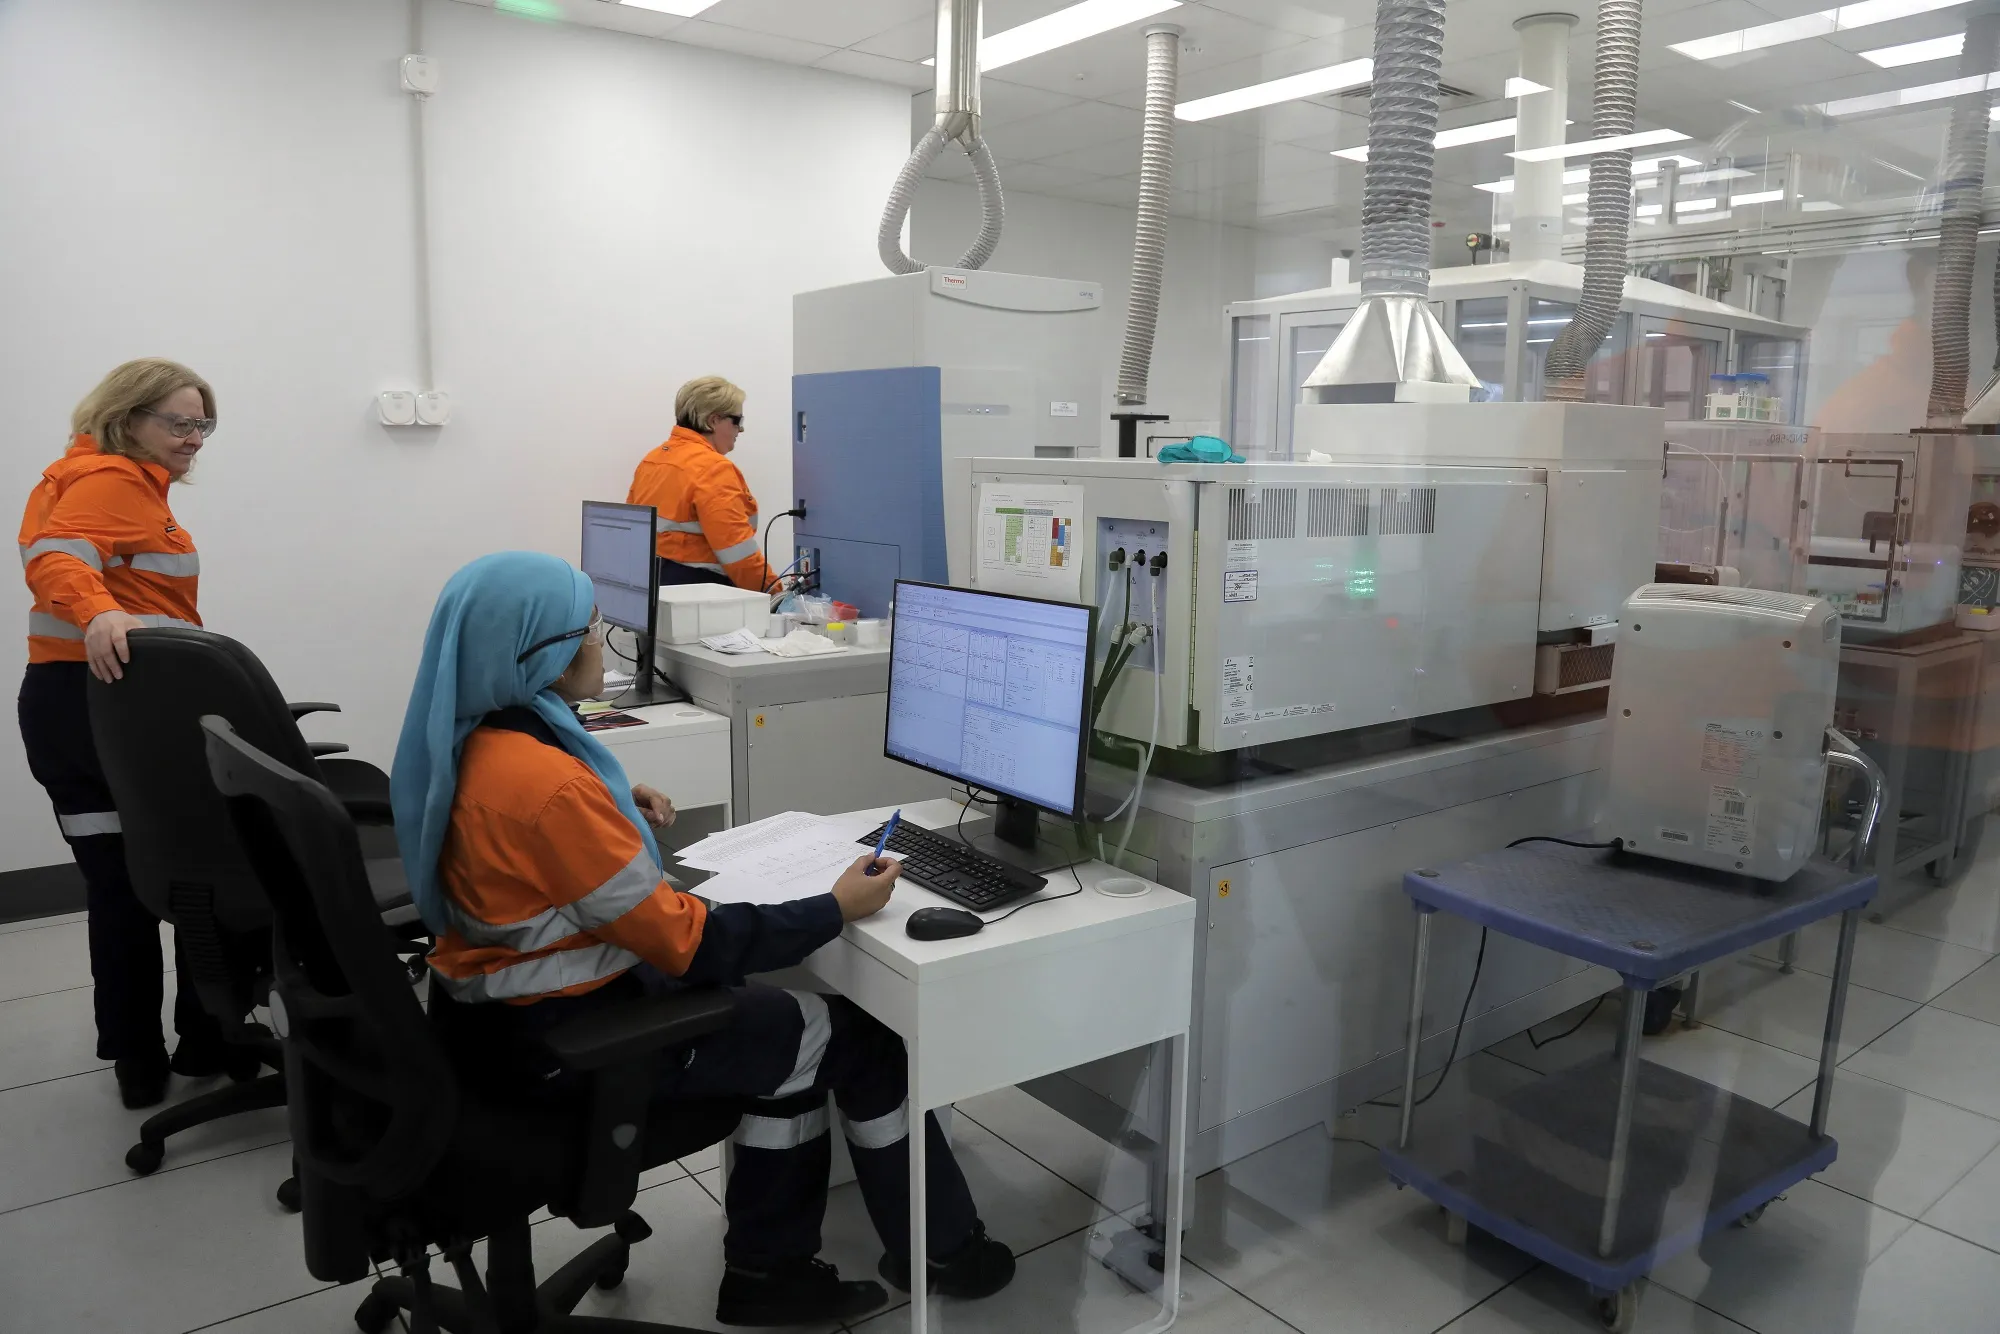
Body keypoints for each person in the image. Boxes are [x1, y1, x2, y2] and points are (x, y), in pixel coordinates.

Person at [390, 552, 1014, 1327]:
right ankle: (939, 1247)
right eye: (586, 630)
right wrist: (835, 906)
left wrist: (611, 801)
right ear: (540, 655)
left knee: (787, 1039)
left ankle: (771, 1264)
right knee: (856, 1039)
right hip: (570, 1039)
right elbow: (687, 943)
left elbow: (538, 845)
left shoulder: (472, 738)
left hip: (483, 1020)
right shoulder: (546, 790)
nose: (600, 640)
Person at [16, 358, 234, 1110]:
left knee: (120, 890)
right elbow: (56, 560)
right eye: (179, 421)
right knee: (195, 875)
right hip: (106, 710)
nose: (194, 437)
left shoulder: (84, 477)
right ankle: (206, 1038)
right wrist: (99, 611)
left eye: (203, 423)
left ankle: (138, 1059)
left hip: (76, 707)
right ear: (127, 417)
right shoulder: (112, 479)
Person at [627, 376, 783, 592]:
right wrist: (777, 596)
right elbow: (739, 556)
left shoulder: (652, 460)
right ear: (713, 421)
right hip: (701, 595)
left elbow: (634, 533)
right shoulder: (713, 469)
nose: (741, 430)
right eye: (737, 420)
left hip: (655, 590)